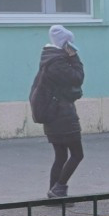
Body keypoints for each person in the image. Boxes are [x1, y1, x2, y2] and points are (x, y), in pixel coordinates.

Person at [30, 24, 85, 197]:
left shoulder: (49, 60)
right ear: (65, 44)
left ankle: (54, 192)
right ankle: (59, 188)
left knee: (61, 156)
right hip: (62, 117)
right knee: (77, 154)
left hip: (54, 116)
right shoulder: (57, 63)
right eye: (70, 44)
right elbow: (78, 78)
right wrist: (74, 56)